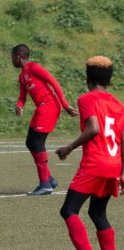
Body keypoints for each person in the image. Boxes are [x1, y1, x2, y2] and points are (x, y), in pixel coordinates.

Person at [56, 56, 124, 250]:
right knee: (97, 213)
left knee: (69, 210)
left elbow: (93, 128)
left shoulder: (87, 99)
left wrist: (68, 148)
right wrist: (122, 172)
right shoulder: (119, 105)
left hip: (95, 163)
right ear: (110, 81)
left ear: (87, 80)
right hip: (114, 164)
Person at [11, 44, 78, 195]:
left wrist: (65, 104)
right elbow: (22, 97)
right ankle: (49, 180)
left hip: (50, 106)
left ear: (17, 57)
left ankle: (45, 184)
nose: (11, 61)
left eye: (12, 58)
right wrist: (19, 105)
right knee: (30, 142)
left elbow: (53, 82)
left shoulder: (34, 67)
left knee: (37, 143)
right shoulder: (22, 76)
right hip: (41, 108)